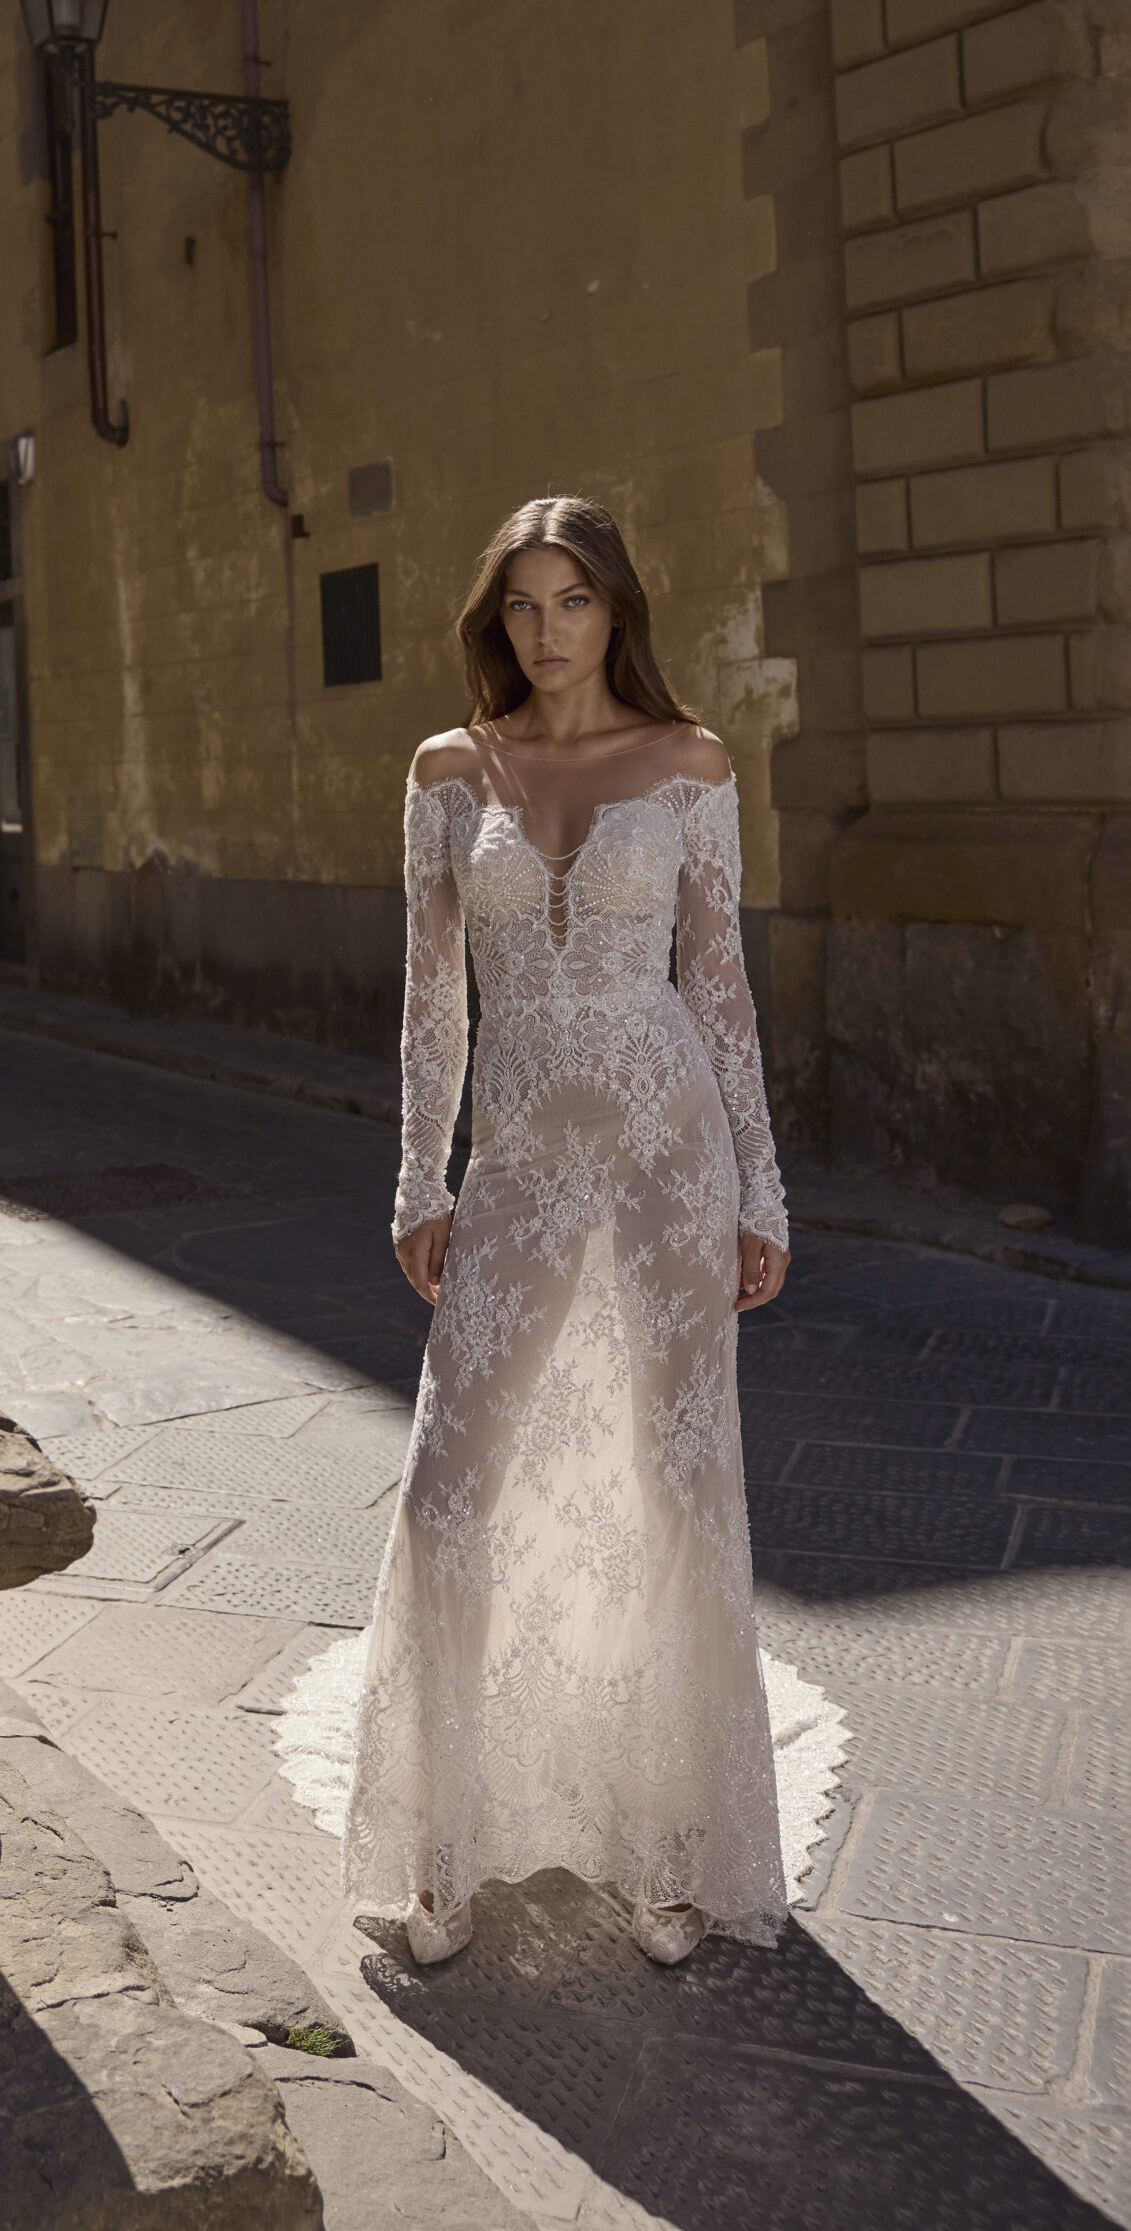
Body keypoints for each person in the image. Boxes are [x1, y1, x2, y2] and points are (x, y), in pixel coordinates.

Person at [343, 495, 792, 1970]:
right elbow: (431, 999)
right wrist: (425, 1180)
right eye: (524, 606)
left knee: (671, 1485)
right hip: (522, 1156)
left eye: (575, 602)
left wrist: (764, 1196)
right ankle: (441, 1839)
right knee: (448, 1489)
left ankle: (668, 1851)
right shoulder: (445, 770)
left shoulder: (690, 763)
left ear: (618, 610)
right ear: (498, 618)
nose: (548, 632)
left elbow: (720, 989)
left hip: (672, 1150)